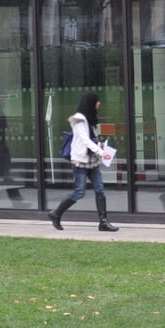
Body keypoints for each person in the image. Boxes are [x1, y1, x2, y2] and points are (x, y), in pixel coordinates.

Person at [48, 92, 118, 232]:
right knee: (79, 191)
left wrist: (101, 146)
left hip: (92, 160)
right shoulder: (79, 119)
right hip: (81, 160)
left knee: (100, 189)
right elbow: (85, 139)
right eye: (97, 101)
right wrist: (101, 152)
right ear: (90, 102)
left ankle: (103, 222)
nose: (99, 104)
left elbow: (92, 139)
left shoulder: (90, 118)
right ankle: (56, 213)